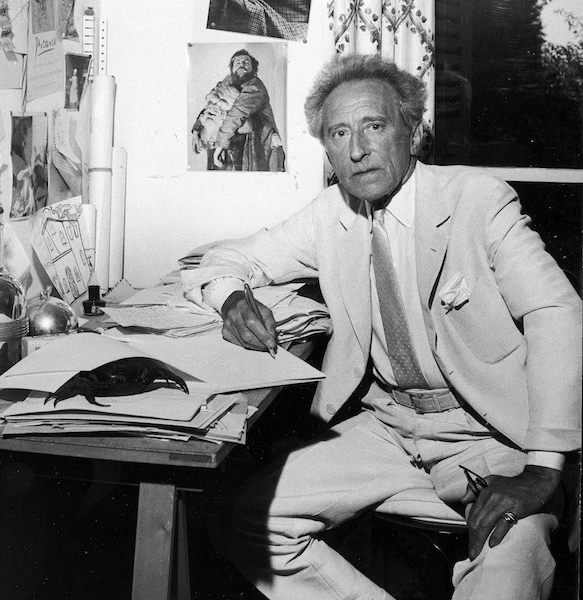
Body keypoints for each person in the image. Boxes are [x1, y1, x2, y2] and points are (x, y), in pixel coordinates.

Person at [183, 53, 581, 600]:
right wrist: (230, 299)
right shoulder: (331, 214)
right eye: (339, 133)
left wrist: (542, 467)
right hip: (388, 428)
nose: (357, 148)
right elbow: (222, 260)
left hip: (490, 434)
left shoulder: (476, 201)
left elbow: (558, 312)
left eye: (374, 125)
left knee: (506, 576)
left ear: (412, 132)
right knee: (242, 519)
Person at [192, 49, 285, 171]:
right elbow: (209, 107)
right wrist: (196, 132)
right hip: (222, 146)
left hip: (251, 148)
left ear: (253, 69)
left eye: (246, 63)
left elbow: (236, 113)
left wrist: (220, 146)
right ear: (232, 69)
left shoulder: (255, 87)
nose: (242, 65)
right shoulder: (225, 85)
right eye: (238, 63)